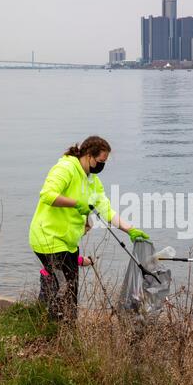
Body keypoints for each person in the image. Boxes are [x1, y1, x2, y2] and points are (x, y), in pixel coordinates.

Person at [29, 136, 149, 322]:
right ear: (88, 155)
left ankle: (61, 328)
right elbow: (47, 195)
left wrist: (130, 229)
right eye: (101, 161)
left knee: (71, 289)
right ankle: (57, 331)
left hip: (68, 241)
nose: (102, 166)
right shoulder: (66, 168)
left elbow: (106, 210)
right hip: (47, 236)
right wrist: (76, 204)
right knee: (64, 288)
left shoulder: (92, 181)